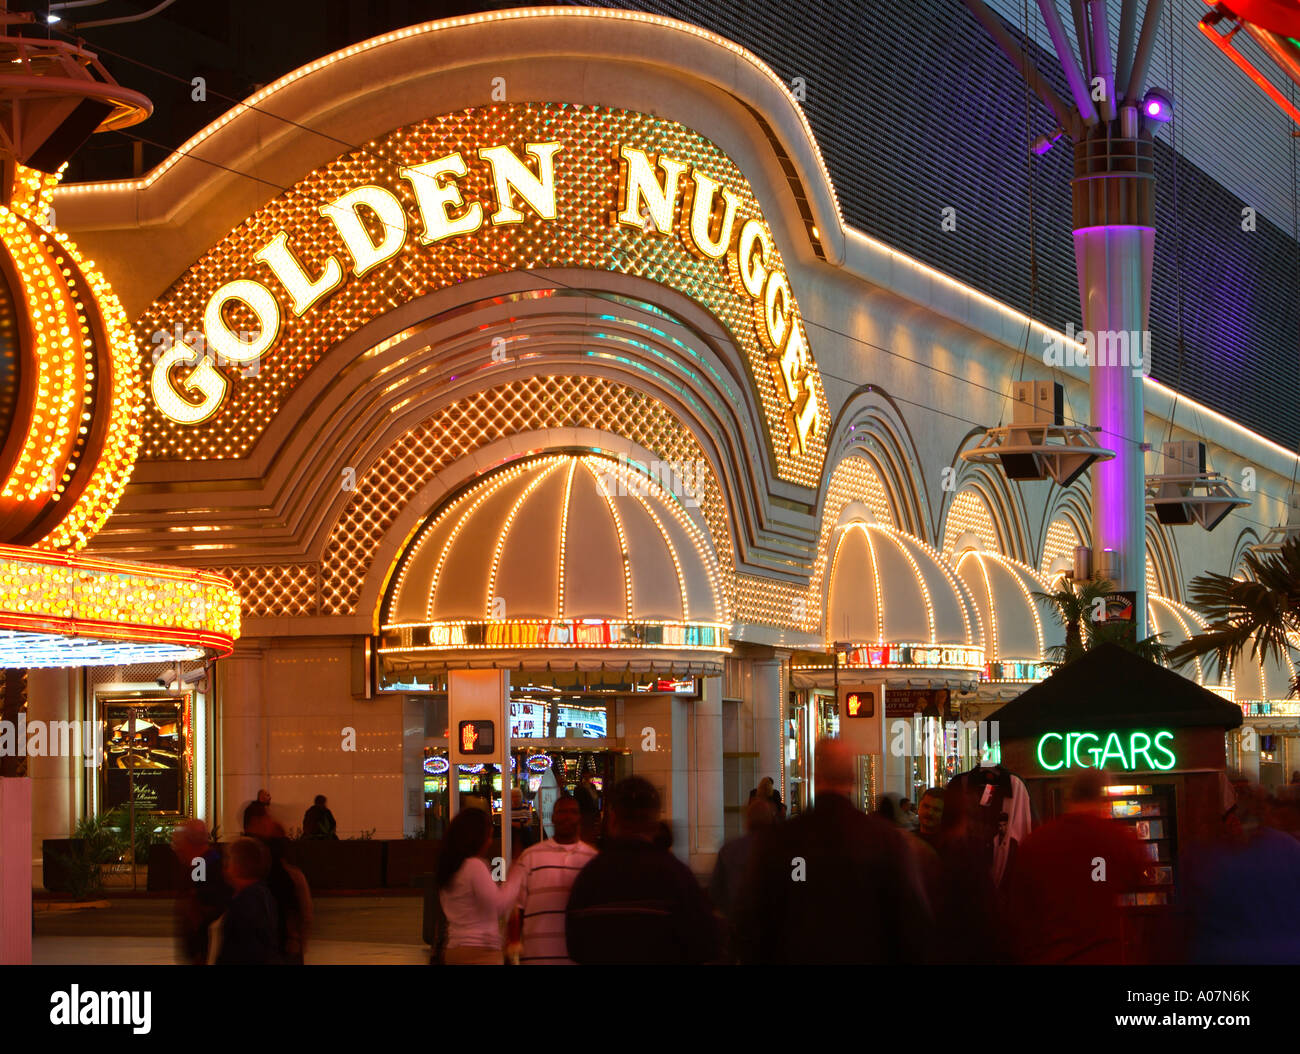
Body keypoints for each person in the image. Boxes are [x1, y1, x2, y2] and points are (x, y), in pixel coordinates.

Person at [733, 738, 933, 964]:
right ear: (852, 779)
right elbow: (912, 924)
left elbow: (753, 921)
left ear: (815, 776)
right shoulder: (885, 840)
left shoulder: (781, 841)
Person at [565, 777, 719, 963]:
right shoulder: (677, 877)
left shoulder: (590, 877)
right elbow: (706, 944)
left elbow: (575, 947)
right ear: (655, 821)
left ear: (612, 819)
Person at [1002, 768, 1143, 964]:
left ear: (1069, 797)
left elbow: (1019, 910)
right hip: (1103, 955)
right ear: (1101, 797)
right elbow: (1139, 876)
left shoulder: (1037, 841)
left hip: (1052, 955)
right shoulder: (1116, 838)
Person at [509, 795, 597, 964]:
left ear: (580, 818)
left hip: (578, 958)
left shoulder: (592, 859)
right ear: (553, 816)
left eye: (573, 812)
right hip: (536, 956)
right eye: (562, 812)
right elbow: (516, 910)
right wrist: (513, 946)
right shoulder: (530, 857)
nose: (567, 816)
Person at [436, 806, 524, 965]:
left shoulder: (449, 868)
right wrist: (516, 873)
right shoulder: (474, 866)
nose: (490, 842)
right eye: (488, 836)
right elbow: (498, 904)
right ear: (475, 837)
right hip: (479, 950)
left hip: (453, 949)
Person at [710, 797, 776, 959]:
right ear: (770, 820)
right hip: (774, 928)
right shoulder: (787, 848)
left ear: (747, 821)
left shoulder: (729, 849)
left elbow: (716, 893)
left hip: (740, 927)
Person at [171, 820, 230, 965]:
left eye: (179, 843)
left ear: (189, 843)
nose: (176, 848)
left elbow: (199, 899)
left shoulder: (201, 864)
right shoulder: (213, 859)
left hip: (205, 948)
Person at [215, 837, 280, 965]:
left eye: (228, 860)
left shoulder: (246, 902)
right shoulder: (262, 893)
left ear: (239, 865)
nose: (224, 866)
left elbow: (247, 948)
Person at [574, 771, 601, 842]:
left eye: (588, 775)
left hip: (593, 813)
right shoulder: (579, 788)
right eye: (586, 775)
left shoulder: (593, 786)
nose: (587, 777)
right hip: (584, 814)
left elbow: (596, 798)